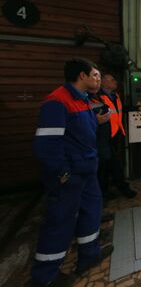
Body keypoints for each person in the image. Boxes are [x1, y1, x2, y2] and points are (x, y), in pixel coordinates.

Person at [31, 58, 111, 286]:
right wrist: (62, 173)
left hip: (87, 172)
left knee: (91, 213)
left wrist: (96, 121)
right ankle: (45, 277)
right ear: (82, 76)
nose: (98, 79)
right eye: (94, 75)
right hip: (70, 176)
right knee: (60, 222)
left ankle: (89, 256)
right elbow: (47, 145)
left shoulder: (83, 101)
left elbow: (79, 134)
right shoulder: (57, 102)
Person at [99, 73, 137, 198]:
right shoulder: (98, 98)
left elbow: (119, 109)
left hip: (116, 135)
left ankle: (106, 190)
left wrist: (135, 108)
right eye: (112, 79)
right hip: (103, 137)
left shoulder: (115, 96)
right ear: (103, 82)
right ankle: (121, 188)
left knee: (108, 164)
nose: (115, 81)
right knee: (111, 164)